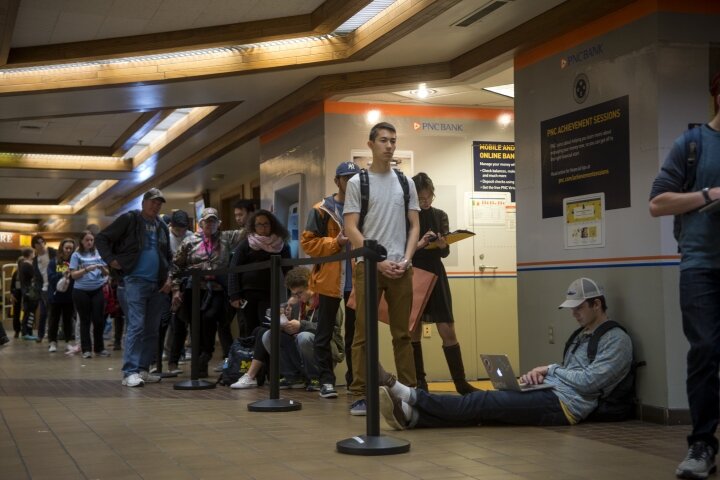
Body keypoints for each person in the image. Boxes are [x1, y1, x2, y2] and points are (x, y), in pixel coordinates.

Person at [378, 277, 632, 432]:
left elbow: (589, 383)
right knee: (487, 410)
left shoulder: (617, 341)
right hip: (549, 391)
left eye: (579, 308)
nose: (574, 314)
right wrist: (538, 376)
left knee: (483, 402)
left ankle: (409, 394)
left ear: (597, 304)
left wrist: (550, 370)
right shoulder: (582, 334)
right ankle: (415, 417)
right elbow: (573, 373)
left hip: (565, 406)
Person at [649, 72, 720, 480]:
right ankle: (702, 444)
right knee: (706, 351)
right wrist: (710, 194)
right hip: (701, 268)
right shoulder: (692, 145)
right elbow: (658, 203)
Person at [343, 121, 421, 416]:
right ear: (371, 144)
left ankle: (409, 393)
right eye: (384, 141)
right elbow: (350, 227)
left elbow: (414, 225)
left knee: (404, 334)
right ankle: (361, 392)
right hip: (369, 267)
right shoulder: (357, 183)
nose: (389, 146)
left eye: (393, 141)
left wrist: (407, 259)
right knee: (364, 333)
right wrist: (378, 260)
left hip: (402, 267)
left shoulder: (406, 182)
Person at [95, 187, 173, 388]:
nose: (156, 206)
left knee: (152, 329)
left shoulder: (161, 226)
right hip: (134, 281)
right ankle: (129, 372)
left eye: (159, 203)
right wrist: (111, 260)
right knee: (137, 326)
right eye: (153, 202)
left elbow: (168, 256)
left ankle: (142, 369)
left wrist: (169, 278)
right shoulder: (130, 219)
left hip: (157, 284)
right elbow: (101, 238)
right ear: (144, 203)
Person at [410, 172, 477, 394]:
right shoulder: (407, 216)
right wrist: (419, 243)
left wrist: (440, 243)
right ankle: (420, 382)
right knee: (414, 328)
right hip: (414, 272)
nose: (425, 201)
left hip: (436, 273)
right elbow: (402, 250)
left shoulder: (440, 215)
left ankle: (460, 382)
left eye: (428, 197)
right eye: (420, 198)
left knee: (447, 327)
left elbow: (446, 251)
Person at [230, 267, 343, 390]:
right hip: (303, 349)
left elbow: (331, 331)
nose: (296, 297)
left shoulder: (327, 300)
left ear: (311, 285)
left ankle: (316, 378)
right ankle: (293, 377)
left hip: (327, 350)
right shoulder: (299, 303)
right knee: (269, 335)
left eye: (299, 293)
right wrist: (285, 321)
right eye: (293, 294)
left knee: (304, 337)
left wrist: (301, 325)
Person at [300, 161, 359, 398]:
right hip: (328, 281)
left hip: (357, 281)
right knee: (323, 332)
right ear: (337, 181)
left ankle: (356, 381)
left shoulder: (363, 209)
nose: (351, 183)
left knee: (356, 334)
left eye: (355, 178)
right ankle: (326, 380)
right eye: (347, 178)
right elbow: (308, 244)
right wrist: (337, 242)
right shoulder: (321, 209)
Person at [170, 207, 244, 377]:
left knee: (209, 319)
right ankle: (199, 362)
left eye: (213, 221)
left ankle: (206, 353)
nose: (210, 224)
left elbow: (247, 232)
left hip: (217, 290)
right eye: (206, 221)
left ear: (218, 223)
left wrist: (251, 216)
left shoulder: (226, 238)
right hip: (193, 290)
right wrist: (175, 290)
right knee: (195, 325)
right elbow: (175, 266)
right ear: (201, 223)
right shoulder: (190, 241)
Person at [228, 209, 291, 337]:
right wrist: (234, 295)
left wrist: (293, 292)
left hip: (269, 293)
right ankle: (249, 355)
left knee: (266, 326)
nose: (262, 227)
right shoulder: (246, 244)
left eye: (266, 224)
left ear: (272, 225)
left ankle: (263, 356)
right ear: (253, 226)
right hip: (246, 294)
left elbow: (289, 271)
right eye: (259, 224)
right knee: (248, 326)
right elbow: (233, 269)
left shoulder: (281, 245)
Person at [69, 230, 109, 358]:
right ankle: (86, 349)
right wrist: (87, 269)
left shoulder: (98, 253)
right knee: (85, 320)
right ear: (81, 241)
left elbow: (106, 273)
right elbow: (73, 275)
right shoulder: (76, 255)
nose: (90, 242)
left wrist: (102, 268)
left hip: (97, 289)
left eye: (91, 240)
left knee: (98, 320)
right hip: (81, 290)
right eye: (87, 240)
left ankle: (99, 348)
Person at [47, 238, 77, 353]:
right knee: (54, 320)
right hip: (55, 296)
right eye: (66, 248)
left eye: (71, 248)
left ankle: (68, 342)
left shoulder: (74, 262)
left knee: (67, 320)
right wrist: (61, 274)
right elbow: (50, 278)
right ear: (61, 248)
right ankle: (52, 342)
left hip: (69, 296)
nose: (68, 250)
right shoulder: (54, 262)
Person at [31, 235, 56, 343]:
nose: (41, 245)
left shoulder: (52, 252)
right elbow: (36, 277)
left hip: (55, 286)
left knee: (54, 313)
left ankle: (53, 336)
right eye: (38, 243)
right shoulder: (35, 260)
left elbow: (61, 265)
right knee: (43, 313)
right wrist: (38, 288)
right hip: (43, 288)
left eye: (42, 242)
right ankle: (40, 335)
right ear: (34, 246)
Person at [18, 248, 38, 341]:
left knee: (30, 312)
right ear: (30, 254)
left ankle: (28, 331)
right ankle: (25, 332)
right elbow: (36, 276)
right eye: (33, 253)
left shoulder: (23, 264)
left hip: (27, 291)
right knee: (29, 312)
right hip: (29, 291)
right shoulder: (27, 265)